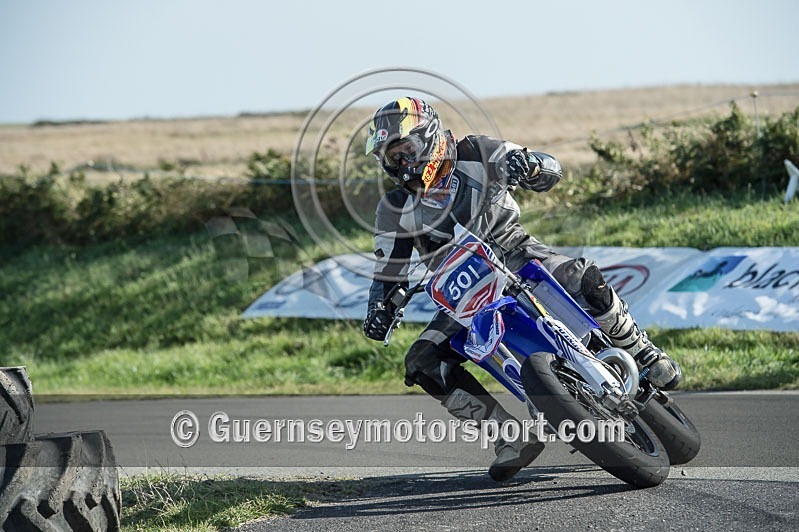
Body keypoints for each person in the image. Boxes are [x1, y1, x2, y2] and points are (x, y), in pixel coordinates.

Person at [361, 96, 682, 482]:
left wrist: (529, 165)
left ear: (428, 137)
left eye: (405, 150)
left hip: (518, 255)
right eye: (391, 157)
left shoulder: (476, 150)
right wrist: (379, 307)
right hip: (465, 295)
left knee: (585, 278)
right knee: (422, 360)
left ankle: (640, 351)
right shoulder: (392, 207)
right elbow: (389, 270)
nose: (401, 164)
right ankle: (508, 436)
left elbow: (549, 168)